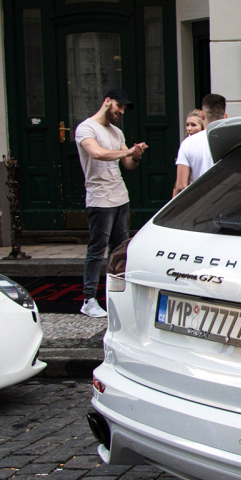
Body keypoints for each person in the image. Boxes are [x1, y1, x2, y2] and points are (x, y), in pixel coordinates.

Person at [75, 89, 148, 318]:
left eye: (124, 108)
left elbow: (128, 164)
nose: (121, 112)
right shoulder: (86, 128)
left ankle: (119, 296)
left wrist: (135, 154)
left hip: (119, 196)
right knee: (97, 249)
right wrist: (125, 152)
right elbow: (96, 153)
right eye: (120, 106)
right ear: (107, 102)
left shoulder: (116, 132)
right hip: (99, 197)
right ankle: (88, 299)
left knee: (119, 249)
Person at [173, 93, 226, 196]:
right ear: (225, 116)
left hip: (200, 204)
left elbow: (181, 186)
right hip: (227, 202)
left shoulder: (188, 143)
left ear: (202, 115)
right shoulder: (234, 139)